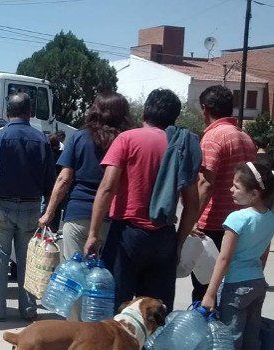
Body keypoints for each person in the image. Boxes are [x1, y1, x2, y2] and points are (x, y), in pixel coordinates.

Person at [83, 89, 200, 313]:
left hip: (126, 236)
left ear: (146, 111)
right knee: (155, 312)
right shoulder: (181, 145)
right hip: (163, 235)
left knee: (117, 308)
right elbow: (192, 204)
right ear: (174, 117)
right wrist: (178, 242)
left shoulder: (127, 138)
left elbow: (107, 188)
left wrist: (94, 234)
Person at [0, 92, 56, 321]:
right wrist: (49, 211)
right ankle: (28, 309)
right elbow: (51, 180)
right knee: (28, 258)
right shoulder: (41, 139)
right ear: (29, 113)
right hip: (31, 208)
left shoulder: (0, 137)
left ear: (9, 113)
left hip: (3, 207)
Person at [40, 92, 131, 259]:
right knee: (103, 277)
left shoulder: (80, 137)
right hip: (111, 218)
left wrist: (49, 212)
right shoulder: (126, 141)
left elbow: (64, 179)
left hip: (78, 214)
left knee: (74, 274)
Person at [191, 85, 256, 302]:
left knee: (204, 290)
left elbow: (206, 184)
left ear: (205, 109)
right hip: (239, 223)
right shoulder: (245, 137)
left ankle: (203, 333)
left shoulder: (213, 137)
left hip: (212, 225)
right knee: (226, 289)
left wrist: (191, 220)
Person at [201, 162, 274, 349]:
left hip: (235, 287)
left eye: (236, 186)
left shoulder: (237, 218)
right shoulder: (270, 217)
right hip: (257, 282)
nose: (231, 189)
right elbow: (264, 252)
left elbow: (224, 259)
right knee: (251, 337)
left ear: (254, 194)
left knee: (230, 337)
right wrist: (259, 274)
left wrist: (210, 294)